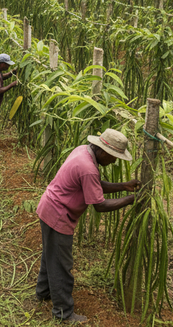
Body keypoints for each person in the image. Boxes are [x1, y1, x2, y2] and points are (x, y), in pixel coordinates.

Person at [35, 129, 140, 323]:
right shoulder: (88, 167)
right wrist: (131, 199)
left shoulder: (83, 151)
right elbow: (99, 205)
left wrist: (123, 185)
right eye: (114, 157)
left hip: (49, 208)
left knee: (50, 255)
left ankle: (43, 292)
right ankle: (63, 313)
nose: (114, 161)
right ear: (104, 152)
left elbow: (94, 183)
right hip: (58, 215)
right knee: (61, 265)